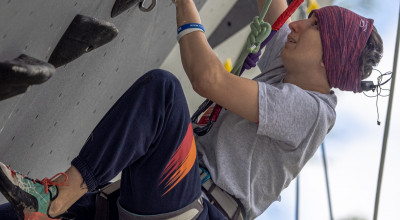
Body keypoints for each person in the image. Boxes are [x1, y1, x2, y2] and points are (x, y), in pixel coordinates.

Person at [0, 0, 383, 219]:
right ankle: (53, 203)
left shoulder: (312, 112)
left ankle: (58, 197)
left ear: (328, 61)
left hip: (198, 209)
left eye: (313, 25)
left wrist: (184, 3)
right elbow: (276, 9)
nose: (298, 26)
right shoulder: (291, 69)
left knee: (164, 95)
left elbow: (209, 80)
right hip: (164, 196)